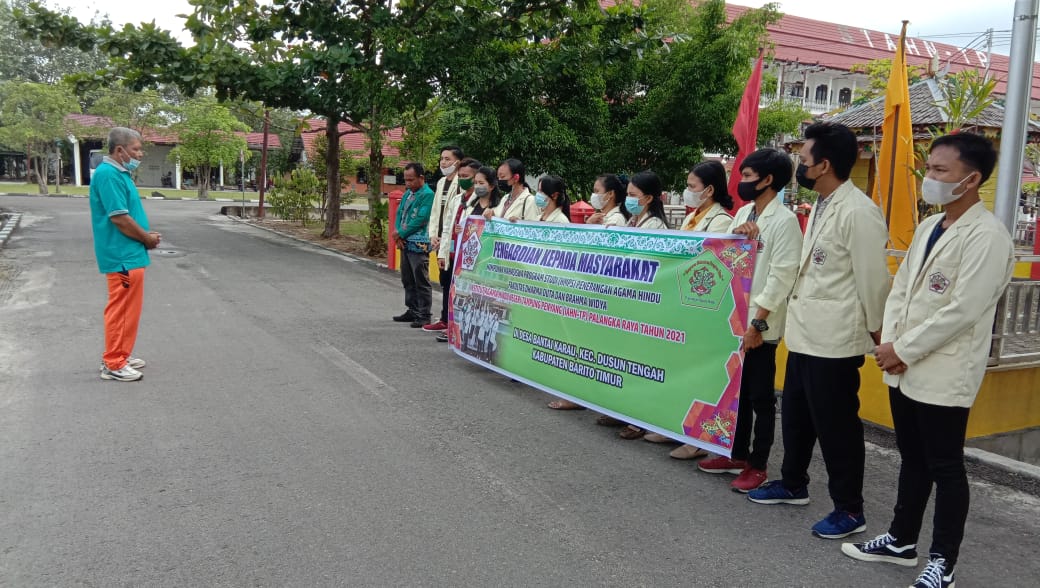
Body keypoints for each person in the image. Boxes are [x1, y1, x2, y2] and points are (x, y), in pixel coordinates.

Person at [842, 133, 1014, 588]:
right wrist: (891, 344)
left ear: (972, 179)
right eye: (930, 170)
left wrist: (903, 349)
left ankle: (943, 561)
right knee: (912, 457)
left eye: (941, 171)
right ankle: (901, 540)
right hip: (904, 365)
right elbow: (903, 292)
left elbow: (963, 310)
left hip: (944, 369)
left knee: (945, 465)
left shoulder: (988, 237)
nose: (930, 179)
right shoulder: (928, 227)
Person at [746, 122, 890, 541]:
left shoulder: (859, 212)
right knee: (796, 417)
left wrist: (882, 336)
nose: (800, 168)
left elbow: (873, 282)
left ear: (824, 165)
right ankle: (793, 483)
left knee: (837, 427)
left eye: (804, 161)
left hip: (835, 340)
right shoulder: (824, 205)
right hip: (805, 334)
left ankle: (850, 509)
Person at [694, 148, 802, 492]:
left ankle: (758, 464)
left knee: (760, 397)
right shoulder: (744, 212)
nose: (742, 182)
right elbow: (731, 260)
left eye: (750, 176)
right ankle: (734, 453)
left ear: (768, 180)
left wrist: (759, 324)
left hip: (759, 324)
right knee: (735, 391)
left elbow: (782, 277)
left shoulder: (784, 222)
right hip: (734, 317)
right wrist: (741, 240)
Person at [91, 127, 161, 382]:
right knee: (121, 310)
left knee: (129, 309)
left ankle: (121, 352)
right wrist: (146, 238)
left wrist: (145, 235)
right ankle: (113, 362)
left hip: (130, 253)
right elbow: (119, 218)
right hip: (121, 255)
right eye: (136, 149)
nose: (140, 154)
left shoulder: (120, 173)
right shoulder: (109, 174)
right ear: (120, 150)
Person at [442, 166, 501, 344]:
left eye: (481, 183)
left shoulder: (498, 207)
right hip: (469, 261)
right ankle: (457, 333)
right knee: (465, 299)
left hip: (488, 263)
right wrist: (461, 229)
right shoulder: (470, 205)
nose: (477, 186)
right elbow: (465, 229)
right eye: (475, 183)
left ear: (491, 186)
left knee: (484, 305)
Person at [431, 157, 479, 340]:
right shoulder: (458, 199)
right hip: (451, 251)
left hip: (467, 255)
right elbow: (447, 227)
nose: (463, 179)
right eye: (461, 176)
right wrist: (442, 253)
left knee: (464, 292)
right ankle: (450, 325)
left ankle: (458, 328)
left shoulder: (481, 201)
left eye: (467, 176)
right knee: (450, 289)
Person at [424, 146, 465, 333]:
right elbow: (435, 212)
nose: (443, 162)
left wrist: (446, 239)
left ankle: (451, 322)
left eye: (448, 159)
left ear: (458, 162)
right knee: (444, 280)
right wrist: (433, 235)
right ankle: (444, 318)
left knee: (452, 282)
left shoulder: (460, 183)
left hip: (452, 241)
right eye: (442, 158)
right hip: (439, 240)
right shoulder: (441, 182)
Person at [392, 162, 435, 328]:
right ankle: (412, 309)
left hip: (419, 243)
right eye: (406, 180)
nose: (408, 183)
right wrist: (397, 234)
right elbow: (400, 213)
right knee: (407, 278)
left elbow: (421, 219)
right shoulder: (407, 194)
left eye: (411, 180)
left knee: (421, 279)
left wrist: (401, 234)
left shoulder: (427, 195)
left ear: (421, 178)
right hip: (404, 242)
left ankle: (424, 314)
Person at [679, 161, 736, 232]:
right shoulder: (690, 217)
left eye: (692, 186)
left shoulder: (722, 222)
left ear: (709, 190)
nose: (687, 190)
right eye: (688, 186)